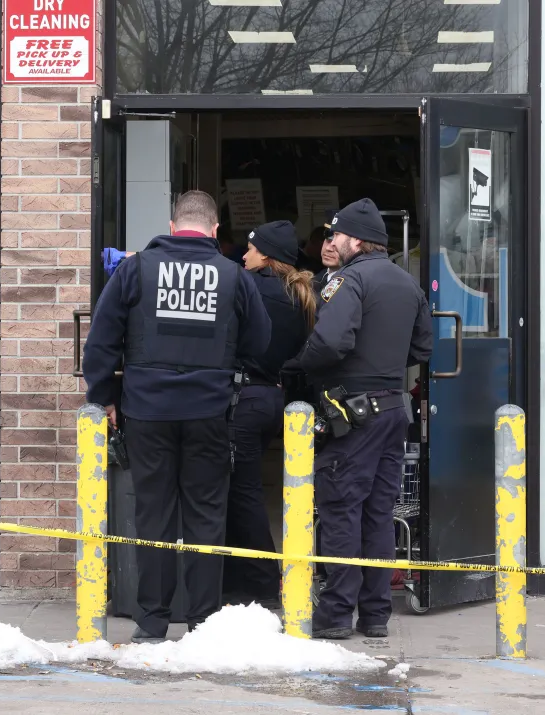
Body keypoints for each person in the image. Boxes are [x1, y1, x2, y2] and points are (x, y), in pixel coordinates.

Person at [83, 190, 271, 644]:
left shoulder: (135, 269)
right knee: (207, 515)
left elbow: (101, 342)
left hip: (146, 412)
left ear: (172, 227)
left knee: (154, 515)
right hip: (209, 410)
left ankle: (152, 621)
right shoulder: (233, 276)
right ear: (214, 230)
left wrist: (105, 395)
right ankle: (204, 620)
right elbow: (261, 341)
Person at [284, 198, 433, 640]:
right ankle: (375, 615)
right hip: (393, 410)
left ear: (356, 240)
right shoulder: (408, 284)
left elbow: (330, 343)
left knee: (341, 510)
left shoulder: (348, 281)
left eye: (337, 235)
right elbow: (423, 349)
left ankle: (334, 616)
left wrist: (298, 366)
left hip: (354, 413)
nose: (332, 242)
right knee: (378, 513)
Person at [223, 220, 318, 609]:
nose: (242, 256)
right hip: (272, 399)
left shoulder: (251, 287)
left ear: (265, 255)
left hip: (243, 400)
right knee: (244, 490)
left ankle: (262, 583)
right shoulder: (299, 296)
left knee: (240, 493)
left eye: (249, 249)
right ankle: (247, 579)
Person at [312, 213, 341, 296]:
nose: (328, 248)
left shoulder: (352, 284)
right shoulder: (316, 278)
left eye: (336, 244)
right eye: (328, 240)